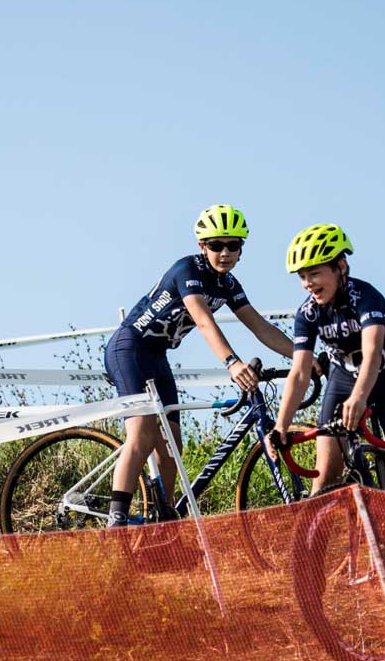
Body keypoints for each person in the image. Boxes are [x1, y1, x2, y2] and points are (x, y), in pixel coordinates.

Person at [103, 204, 295, 527]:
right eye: (216, 245)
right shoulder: (186, 271)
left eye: (233, 245)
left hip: (156, 356)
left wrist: (306, 358)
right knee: (144, 433)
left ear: (241, 250)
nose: (225, 252)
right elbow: (204, 321)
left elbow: (261, 327)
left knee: (172, 448)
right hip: (129, 348)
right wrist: (232, 362)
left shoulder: (228, 285)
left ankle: (158, 526)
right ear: (202, 246)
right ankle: (115, 522)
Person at [270, 223, 385, 495]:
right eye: (302, 276)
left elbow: (372, 352)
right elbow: (299, 373)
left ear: (341, 267)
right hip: (343, 379)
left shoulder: (366, 298)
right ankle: (313, 538)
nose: (308, 283)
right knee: (325, 477)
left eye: (315, 273)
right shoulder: (308, 313)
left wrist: (359, 397)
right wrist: (281, 426)